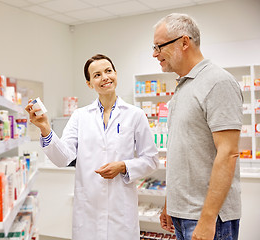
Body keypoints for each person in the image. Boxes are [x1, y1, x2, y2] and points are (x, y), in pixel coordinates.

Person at [25, 54, 159, 240]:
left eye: (108, 71)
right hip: (89, 210)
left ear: (116, 74)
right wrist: (45, 129)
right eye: (97, 75)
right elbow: (63, 158)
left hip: (121, 209)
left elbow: (151, 159)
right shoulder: (80, 116)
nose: (104, 77)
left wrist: (123, 166)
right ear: (89, 84)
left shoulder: (135, 115)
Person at [153, 13, 243, 240]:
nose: (155, 54)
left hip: (208, 218)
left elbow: (228, 153)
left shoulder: (217, 82)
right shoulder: (183, 87)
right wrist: (170, 204)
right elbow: (182, 151)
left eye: (159, 46)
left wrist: (207, 219)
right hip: (183, 213)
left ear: (184, 42)